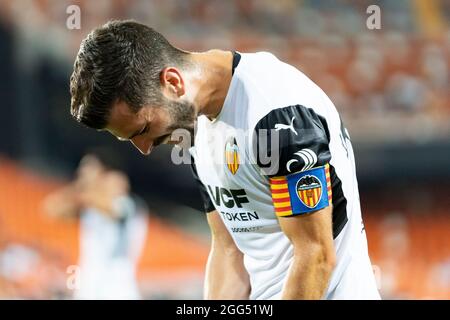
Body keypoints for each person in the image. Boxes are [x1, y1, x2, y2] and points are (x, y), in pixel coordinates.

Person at [69, 20, 380, 300]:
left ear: (173, 83)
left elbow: (315, 254)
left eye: (144, 129)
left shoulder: (275, 115)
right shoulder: (196, 126)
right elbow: (229, 248)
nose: (145, 148)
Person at [44, 151, 148, 299]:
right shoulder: (90, 207)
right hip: (89, 286)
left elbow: (103, 205)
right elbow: (52, 209)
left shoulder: (129, 205)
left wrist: (84, 184)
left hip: (118, 288)